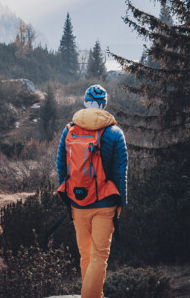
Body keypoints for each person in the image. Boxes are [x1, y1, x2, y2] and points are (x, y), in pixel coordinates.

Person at [56, 84, 128, 298]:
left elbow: (61, 166)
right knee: (99, 256)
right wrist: (120, 204)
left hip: (77, 203)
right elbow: (120, 172)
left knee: (85, 254)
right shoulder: (114, 133)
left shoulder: (69, 130)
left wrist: (69, 197)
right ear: (103, 105)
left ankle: (93, 295)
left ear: (85, 102)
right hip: (105, 204)